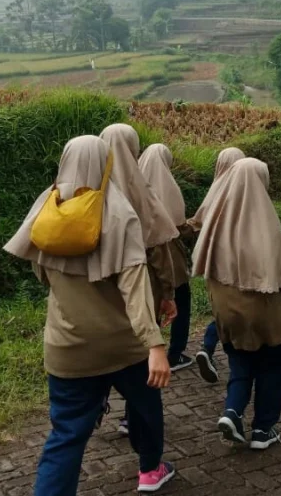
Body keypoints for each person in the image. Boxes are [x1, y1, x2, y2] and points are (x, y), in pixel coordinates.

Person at [4, 136, 175, 495]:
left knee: (66, 436)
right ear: (107, 163)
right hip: (123, 347)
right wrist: (155, 345)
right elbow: (135, 287)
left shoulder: (45, 208)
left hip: (68, 347)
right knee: (146, 409)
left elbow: (42, 273)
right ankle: (150, 469)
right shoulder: (118, 210)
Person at [190, 158, 281, 450]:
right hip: (266, 316)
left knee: (240, 366)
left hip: (228, 315)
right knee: (273, 368)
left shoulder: (216, 221)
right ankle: (263, 429)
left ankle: (232, 412)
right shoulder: (265, 223)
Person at [99, 124, 181, 435]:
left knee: (109, 349)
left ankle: (100, 400)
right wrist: (168, 292)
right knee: (140, 353)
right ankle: (133, 418)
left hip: (102, 289)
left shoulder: (91, 186)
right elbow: (159, 248)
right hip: (142, 286)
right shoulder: (140, 189)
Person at [138, 143, 195, 373]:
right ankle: (175, 353)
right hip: (171, 258)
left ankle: (148, 352)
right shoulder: (169, 187)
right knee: (181, 301)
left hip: (143, 260)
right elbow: (179, 226)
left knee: (150, 304)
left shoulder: (134, 185)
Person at [194, 147, 246, 385]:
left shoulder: (215, 190)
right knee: (240, 307)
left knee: (220, 308)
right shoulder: (245, 190)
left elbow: (197, 221)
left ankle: (207, 346)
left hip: (212, 263)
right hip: (239, 263)